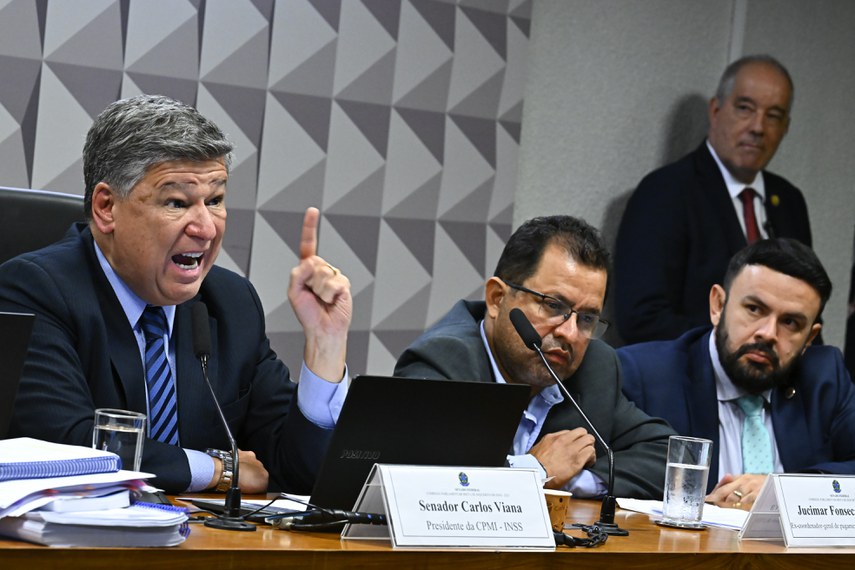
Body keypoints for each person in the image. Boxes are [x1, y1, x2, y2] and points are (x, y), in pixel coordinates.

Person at [0, 95, 352, 495]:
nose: (206, 228)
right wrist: (218, 469)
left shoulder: (231, 302)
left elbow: (299, 472)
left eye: (215, 200)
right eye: (177, 203)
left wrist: (326, 344)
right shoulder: (34, 290)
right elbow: (71, 445)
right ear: (106, 207)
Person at [394, 215, 674, 500]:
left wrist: (572, 480)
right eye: (553, 305)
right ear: (496, 298)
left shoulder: (595, 367)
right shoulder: (443, 363)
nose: (569, 333)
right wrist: (536, 472)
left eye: (587, 318)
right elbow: (422, 484)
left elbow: (671, 458)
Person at [619, 238, 855, 511]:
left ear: (809, 339)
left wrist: (784, 490)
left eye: (790, 322)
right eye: (754, 309)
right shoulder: (643, 375)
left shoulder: (824, 378)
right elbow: (606, 479)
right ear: (718, 305)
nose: (768, 333)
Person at [615, 54, 812, 345]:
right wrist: (740, 345)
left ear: (786, 127)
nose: (758, 127)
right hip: (694, 371)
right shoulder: (665, 192)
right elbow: (642, 319)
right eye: (745, 108)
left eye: (773, 115)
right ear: (716, 110)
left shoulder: (789, 201)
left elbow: (806, 310)